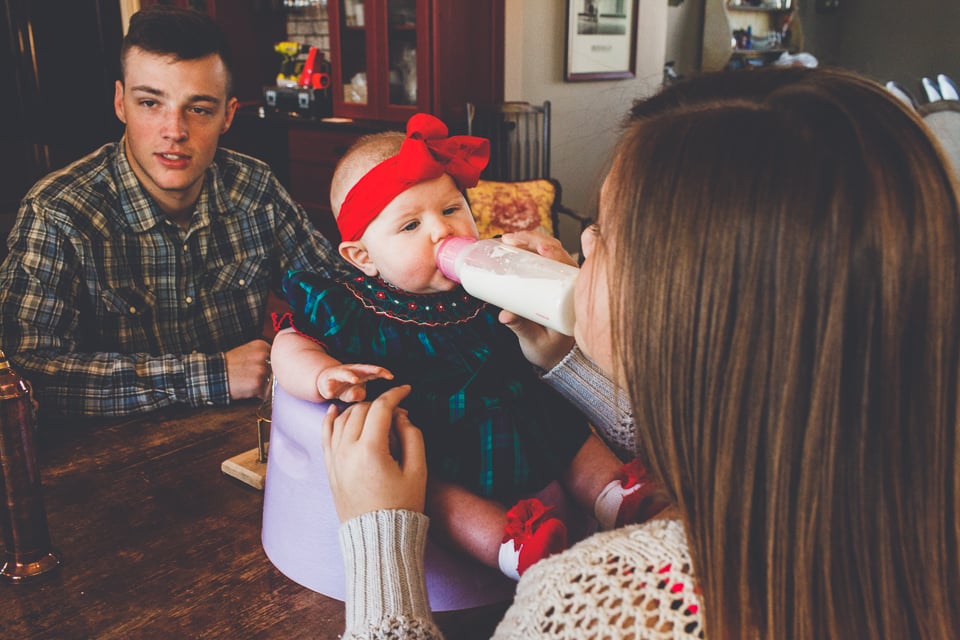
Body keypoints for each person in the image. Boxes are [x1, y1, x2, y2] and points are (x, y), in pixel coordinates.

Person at [321, 66, 960, 638]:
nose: (582, 242)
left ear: (680, 313)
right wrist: (569, 359)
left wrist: (381, 538)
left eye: (604, 234)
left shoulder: (597, 604)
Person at [270, 113, 664, 580]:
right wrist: (320, 374)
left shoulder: (492, 272)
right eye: (411, 225)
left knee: (568, 431)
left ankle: (615, 495)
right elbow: (287, 343)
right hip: (436, 431)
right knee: (433, 491)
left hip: (522, 405)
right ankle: (513, 546)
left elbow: (560, 332)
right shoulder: (349, 304)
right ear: (363, 257)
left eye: (452, 210)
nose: (442, 232)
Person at [0, 5, 349, 417]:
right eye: (150, 103)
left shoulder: (256, 189)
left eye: (199, 109)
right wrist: (215, 374)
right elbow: (26, 375)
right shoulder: (58, 212)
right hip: (110, 460)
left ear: (227, 115)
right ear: (120, 103)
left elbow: (339, 296)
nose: (175, 131)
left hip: (242, 440)